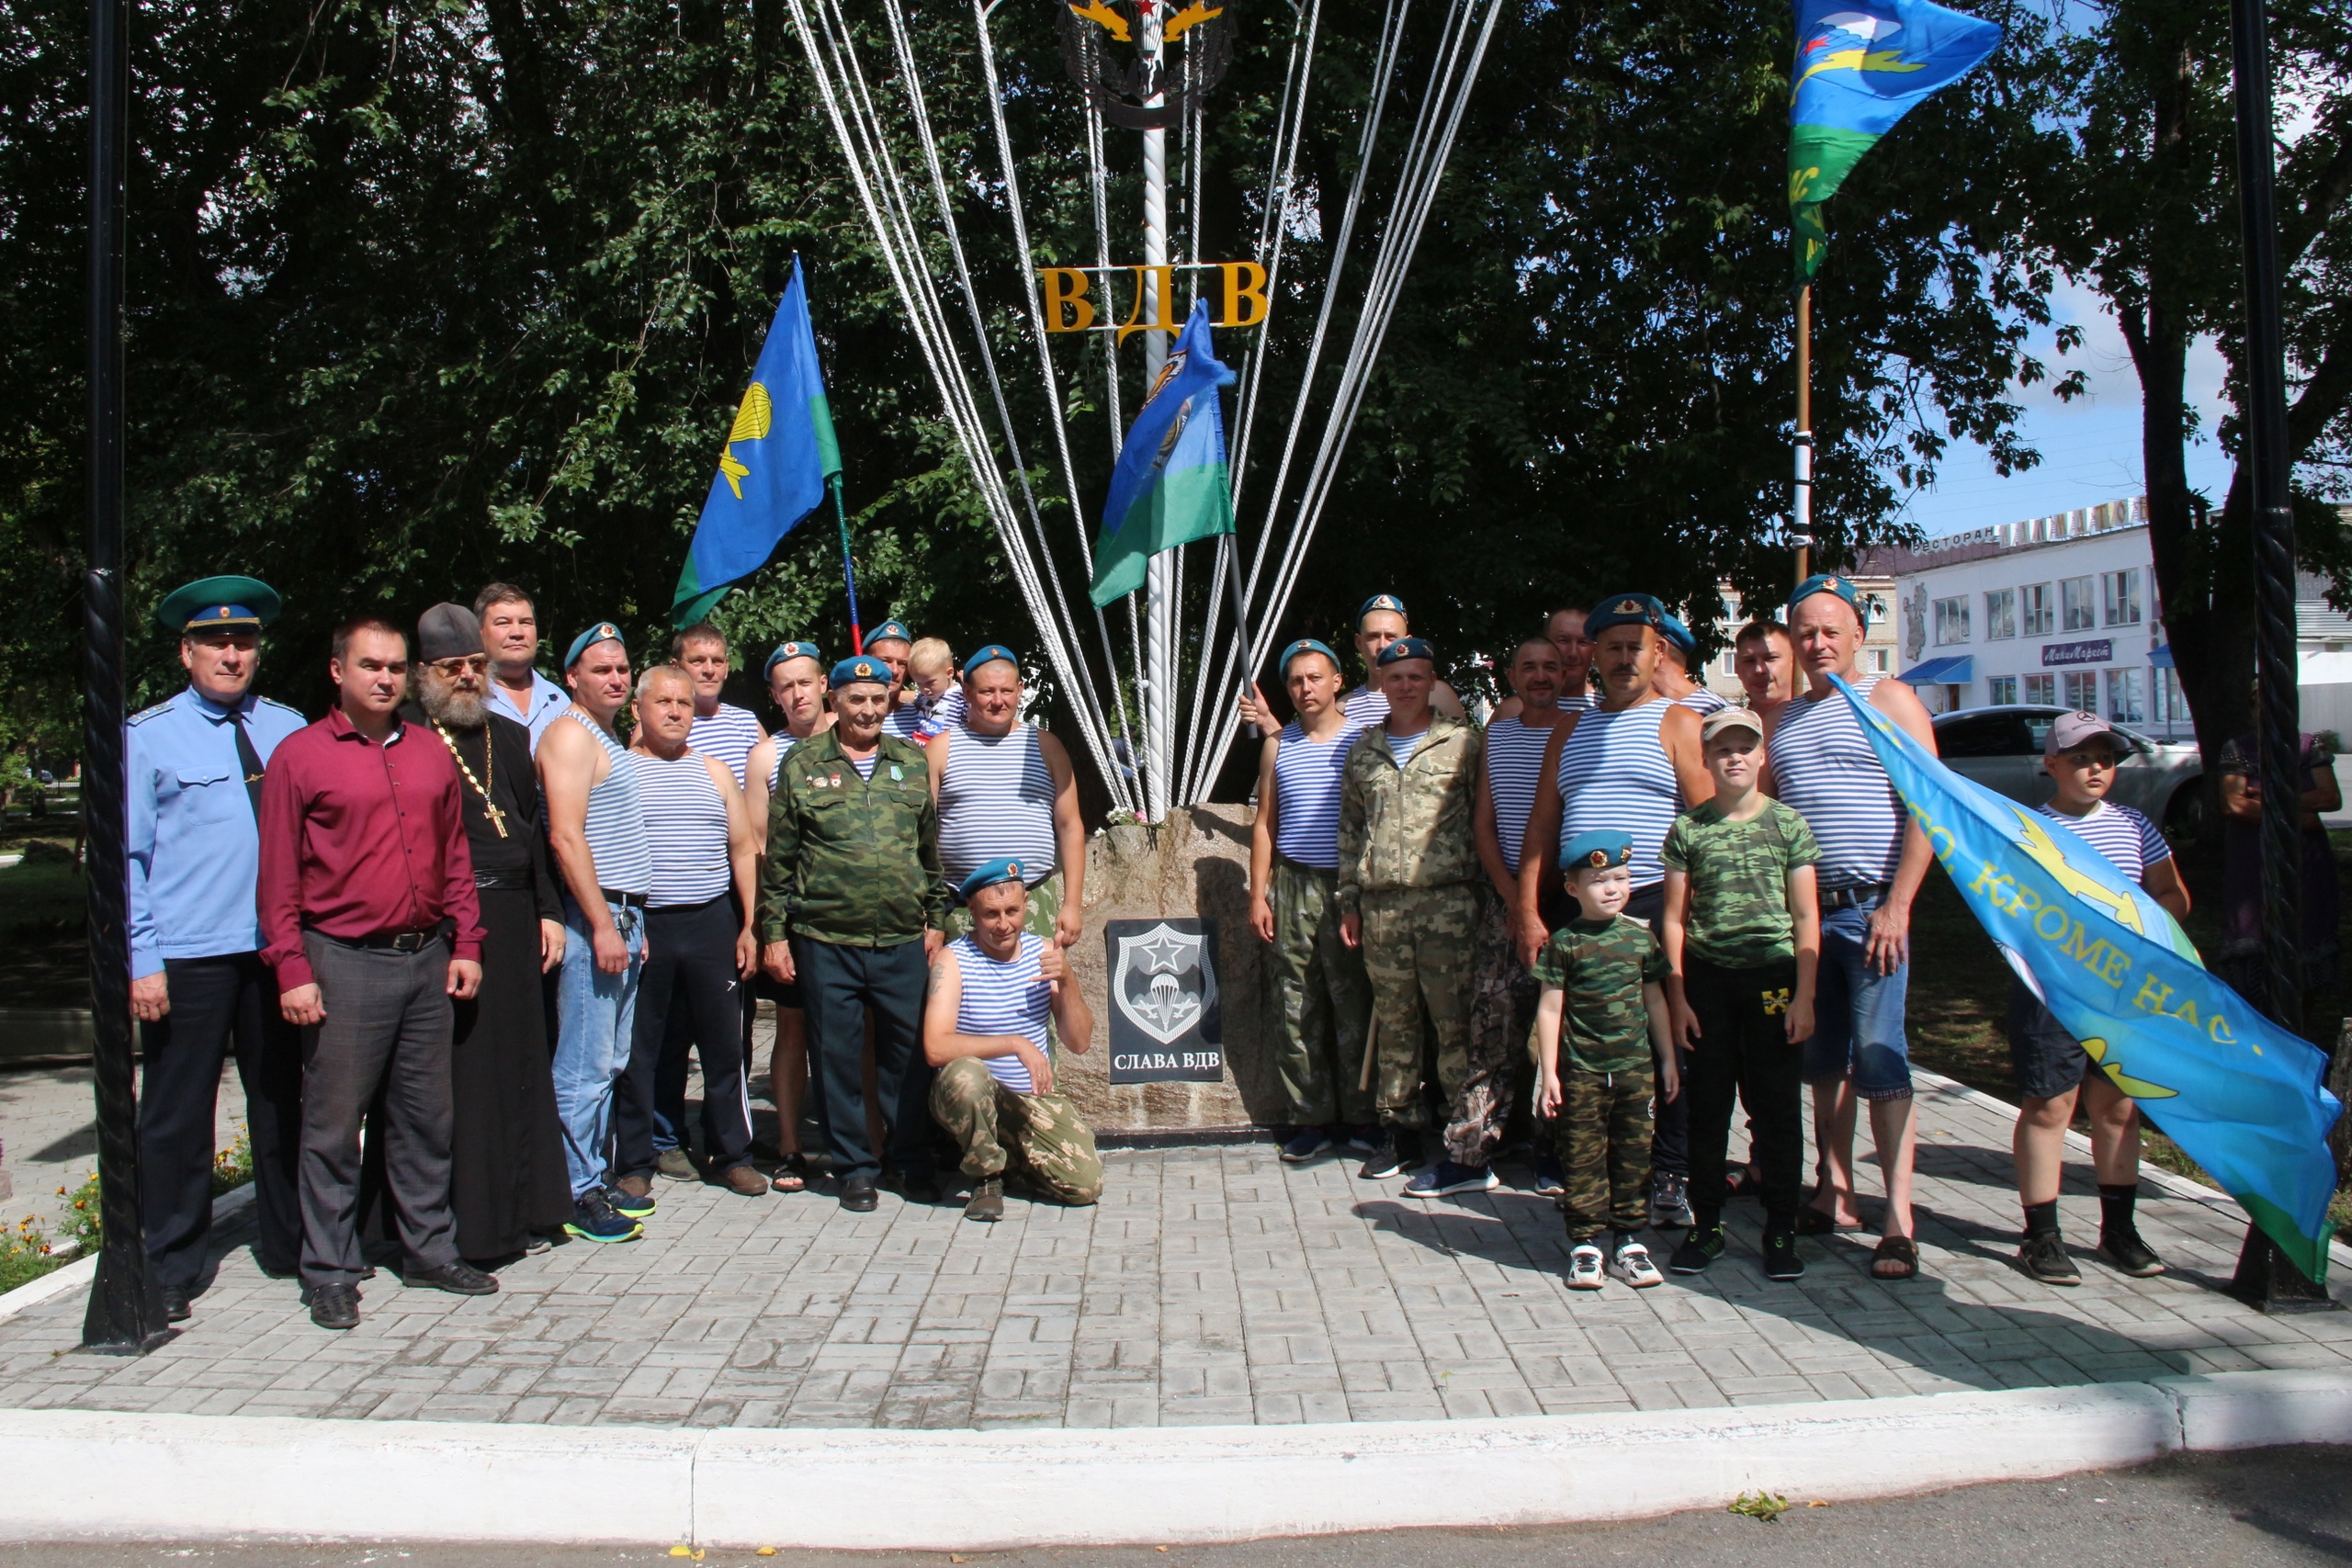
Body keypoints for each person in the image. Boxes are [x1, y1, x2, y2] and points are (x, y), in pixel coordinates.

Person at [258, 616, 493, 1331]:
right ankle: (330, 1269)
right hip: (342, 961)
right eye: (370, 665)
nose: (385, 677)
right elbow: (276, 878)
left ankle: (429, 1249)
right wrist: (291, 968)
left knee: (426, 1118)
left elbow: (455, 855)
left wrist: (468, 942)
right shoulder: (298, 757)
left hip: (426, 958)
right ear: (339, 671)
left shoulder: (428, 751)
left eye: (395, 666)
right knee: (333, 1126)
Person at [128, 575, 308, 1321]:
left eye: (243, 642)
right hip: (190, 954)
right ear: (187, 652)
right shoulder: (147, 736)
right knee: (176, 1112)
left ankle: (290, 1242)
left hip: (274, 949)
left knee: (282, 1101)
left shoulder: (289, 729)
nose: (232, 654)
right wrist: (142, 960)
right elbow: (126, 859)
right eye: (216, 643)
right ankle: (169, 1259)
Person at [1764, 572, 1938, 1281]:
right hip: (1807, 914)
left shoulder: (1889, 699)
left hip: (1872, 910)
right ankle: (1835, 1190)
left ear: (1859, 634)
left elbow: (1927, 805)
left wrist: (1899, 903)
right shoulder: (1784, 720)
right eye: (1805, 631)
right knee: (1821, 1061)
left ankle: (1899, 1219)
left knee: (1880, 1056)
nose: (1818, 642)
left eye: (1831, 630)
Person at [1518, 593, 1710, 1227]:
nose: (1625, 659)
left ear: (1658, 652)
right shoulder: (1571, 731)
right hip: (1580, 914)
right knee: (1590, 1045)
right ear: (1593, 654)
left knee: (1665, 1043)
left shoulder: (1678, 722)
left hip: (1656, 905)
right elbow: (1541, 831)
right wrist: (1528, 912)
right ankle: (1597, 1173)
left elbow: (1706, 826)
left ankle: (1673, 1172)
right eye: (1614, 647)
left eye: (1637, 647)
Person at [404, 604, 572, 1265]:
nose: (469, 677)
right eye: (455, 668)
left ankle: (533, 1204)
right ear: (427, 673)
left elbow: (532, 834)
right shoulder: (413, 736)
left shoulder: (507, 734)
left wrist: (550, 911)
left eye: (477, 665)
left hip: (516, 916)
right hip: (454, 924)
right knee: (468, 1078)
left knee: (525, 1066)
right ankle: (474, 1223)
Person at [759, 655, 950, 1212]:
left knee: (908, 1057)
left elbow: (928, 852)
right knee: (836, 1055)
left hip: (900, 939)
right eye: (855, 699)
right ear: (834, 700)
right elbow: (780, 859)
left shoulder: (910, 763)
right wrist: (774, 933)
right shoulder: (801, 763)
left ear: (890, 701)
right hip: (825, 936)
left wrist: (935, 920)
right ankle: (855, 1169)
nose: (867, 710)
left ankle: (908, 1160)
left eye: (876, 699)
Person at [2010, 711, 2191, 1285]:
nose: (2095, 769)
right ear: (2052, 764)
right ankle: (2041, 1235)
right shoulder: (2028, 830)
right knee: (2050, 1106)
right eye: (2082, 759)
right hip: (2055, 989)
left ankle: (2119, 1230)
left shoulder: (2137, 826)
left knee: (2117, 1107)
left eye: (2106, 759)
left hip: (2123, 989)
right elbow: (2012, 908)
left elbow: (2172, 895)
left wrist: (2144, 927)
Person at [1659, 706, 1821, 1280]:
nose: (1734, 757)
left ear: (1761, 756)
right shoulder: (1688, 829)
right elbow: (1674, 921)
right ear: (1705, 759)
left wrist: (1804, 996)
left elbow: (1805, 917)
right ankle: (1707, 1228)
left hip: (1773, 980)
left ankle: (1781, 1228)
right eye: (1722, 749)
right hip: (1708, 982)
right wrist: (1677, 997)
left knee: (1776, 1109)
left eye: (1744, 747)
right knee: (1707, 1110)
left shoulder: (1788, 826)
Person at [613, 665, 765, 1201]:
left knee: (726, 1048)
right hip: (647, 923)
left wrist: (749, 925)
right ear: (638, 710)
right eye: (664, 702)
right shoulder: (617, 771)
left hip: (711, 922)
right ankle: (636, 1160)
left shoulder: (716, 772)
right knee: (642, 1051)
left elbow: (743, 849)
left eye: (683, 702)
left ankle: (733, 1154)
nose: (676, 711)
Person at [1337, 637, 1484, 1184]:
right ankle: (1400, 1134)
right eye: (1395, 678)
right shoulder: (1363, 750)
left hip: (1448, 903)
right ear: (1383, 683)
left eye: (1416, 677)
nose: (1405, 686)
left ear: (1432, 681)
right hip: (1382, 910)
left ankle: (1467, 1138)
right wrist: (1349, 901)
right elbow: (1350, 833)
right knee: (1395, 1023)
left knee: (1454, 1025)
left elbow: (1482, 822)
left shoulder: (1464, 745)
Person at [537, 621, 654, 1244]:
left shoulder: (604, 734)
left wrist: (631, 923)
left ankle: (593, 1173)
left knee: (609, 1059)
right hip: (596, 916)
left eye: (621, 667)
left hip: (623, 915)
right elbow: (565, 835)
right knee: (583, 1063)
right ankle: (573, 1190)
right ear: (572, 677)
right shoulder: (569, 735)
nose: (615, 676)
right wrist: (605, 923)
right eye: (601, 668)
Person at [1249, 638, 1377, 1163]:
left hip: (1350, 886)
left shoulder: (1365, 741)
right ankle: (1311, 1117)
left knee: (1354, 1002)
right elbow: (1265, 825)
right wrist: (1259, 894)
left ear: (1336, 681)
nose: (1305, 688)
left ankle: (1364, 1117)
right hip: (1295, 884)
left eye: (1315, 678)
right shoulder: (1278, 746)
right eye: (1297, 681)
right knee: (1296, 1003)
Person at [1533, 831, 1677, 1291]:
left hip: (1635, 1070)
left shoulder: (1639, 940)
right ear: (1573, 889)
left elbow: (1655, 1002)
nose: (1613, 888)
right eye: (1599, 880)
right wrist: (1549, 1074)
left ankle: (1629, 1242)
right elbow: (1550, 1009)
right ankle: (1586, 1245)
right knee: (1582, 1157)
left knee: (1634, 1157)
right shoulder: (1564, 944)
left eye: (1621, 877)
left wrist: (1668, 1060)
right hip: (1583, 1072)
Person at [923, 858, 1102, 1221]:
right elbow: (935, 1047)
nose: (1004, 925)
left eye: (1012, 911)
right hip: (976, 1092)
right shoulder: (954, 960)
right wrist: (1015, 1043)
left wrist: (1067, 981)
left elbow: (1080, 1042)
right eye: (991, 914)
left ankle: (1008, 1161)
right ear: (972, 911)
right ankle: (985, 1178)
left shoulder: (1043, 954)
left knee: (1085, 1186)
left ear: (1026, 908)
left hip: (1030, 1096)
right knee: (965, 1076)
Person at [1468, 637, 1574, 1196]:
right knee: (1493, 1026)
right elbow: (1484, 822)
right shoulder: (1499, 733)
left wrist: (1536, 900)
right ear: (1511, 674)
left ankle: (1556, 1155)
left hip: (1563, 902)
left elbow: (1560, 825)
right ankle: (1476, 1149)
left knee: (1565, 1036)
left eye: (1549, 667)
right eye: (1528, 666)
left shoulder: (1580, 728)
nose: (1539, 676)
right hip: (1504, 900)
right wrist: (1514, 900)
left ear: (1565, 672)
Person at [745, 640, 831, 1193]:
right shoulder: (766, 756)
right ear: (775, 697)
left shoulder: (867, 740)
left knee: (865, 1031)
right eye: (786, 686)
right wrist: (764, 926)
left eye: (806, 681)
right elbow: (756, 845)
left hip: (857, 912)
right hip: (797, 913)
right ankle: (791, 1146)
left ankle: (869, 1143)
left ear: (824, 684)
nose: (798, 693)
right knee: (793, 1029)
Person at [933, 645, 1086, 945]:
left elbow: (1070, 826)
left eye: (1006, 691)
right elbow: (919, 830)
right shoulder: (941, 748)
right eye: (987, 691)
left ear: (1020, 690)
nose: (998, 701)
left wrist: (1071, 905)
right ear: (967, 692)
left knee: (1037, 990)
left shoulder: (1046, 746)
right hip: (961, 906)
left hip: (1031, 903)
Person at [2216, 695, 2342, 1010]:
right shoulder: (2239, 748)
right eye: (2257, 700)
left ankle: (2300, 1024)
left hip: (2304, 860)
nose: (2267, 707)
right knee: (2253, 939)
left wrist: (2268, 795)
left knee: (2305, 932)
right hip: (2252, 858)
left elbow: (2329, 797)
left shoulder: (2308, 747)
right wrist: (2299, 814)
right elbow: (2234, 804)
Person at [1237, 593, 1466, 733]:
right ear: (1358, 642)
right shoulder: (1344, 707)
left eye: (1391, 637)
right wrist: (1266, 722)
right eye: (1373, 636)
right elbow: (1310, 755)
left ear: (1407, 641)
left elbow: (1468, 762)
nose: (1382, 646)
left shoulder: (1437, 695)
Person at [474, 584, 571, 750]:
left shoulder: (558, 701)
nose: (517, 632)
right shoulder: (471, 700)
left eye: (526, 622)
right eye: (503, 623)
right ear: (479, 633)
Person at [674, 622, 766, 785]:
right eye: (697, 661)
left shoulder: (748, 722)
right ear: (676, 667)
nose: (709, 670)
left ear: (726, 667)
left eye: (717, 661)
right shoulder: (663, 726)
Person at [1492, 605, 1595, 722]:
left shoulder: (1609, 712)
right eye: (1563, 640)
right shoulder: (1511, 713)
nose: (1573, 653)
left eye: (1583, 642)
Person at [888, 635, 967, 742]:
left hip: (944, 751)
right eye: (919, 683)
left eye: (930, 682)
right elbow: (906, 696)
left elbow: (974, 715)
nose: (924, 689)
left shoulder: (960, 698)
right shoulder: (923, 697)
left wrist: (970, 690)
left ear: (949, 673)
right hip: (920, 748)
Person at [1655, 614, 1729, 716]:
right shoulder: (1631, 708)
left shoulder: (1715, 710)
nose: (1625, 658)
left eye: (1634, 647)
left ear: (1659, 650)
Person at [1733, 620, 1798, 724]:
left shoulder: (1817, 722)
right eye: (1750, 661)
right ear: (1737, 668)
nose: (1759, 670)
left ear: (1794, 662)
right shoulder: (1730, 730)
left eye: (1770, 658)